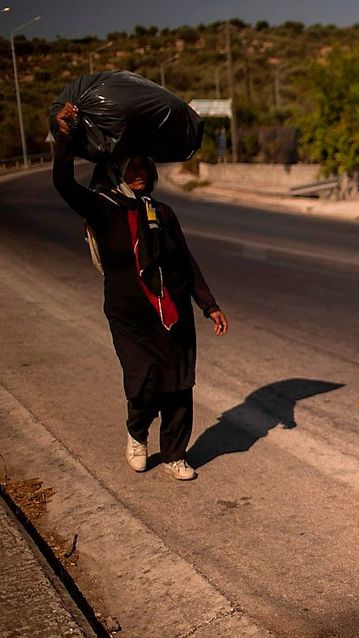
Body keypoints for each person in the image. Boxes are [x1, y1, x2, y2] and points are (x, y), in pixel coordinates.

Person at [52, 102, 228, 482]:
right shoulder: (102, 208)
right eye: (131, 167)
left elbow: (185, 260)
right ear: (116, 172)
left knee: (180, 384)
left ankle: (176, 453)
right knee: (145, 382)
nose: (139, 174)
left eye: (144, 167)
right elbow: (64, 183)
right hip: (130, 315)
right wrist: (64, 136)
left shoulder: (161, 213)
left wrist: (208, 304)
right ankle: (136, 433)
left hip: (172, 311)